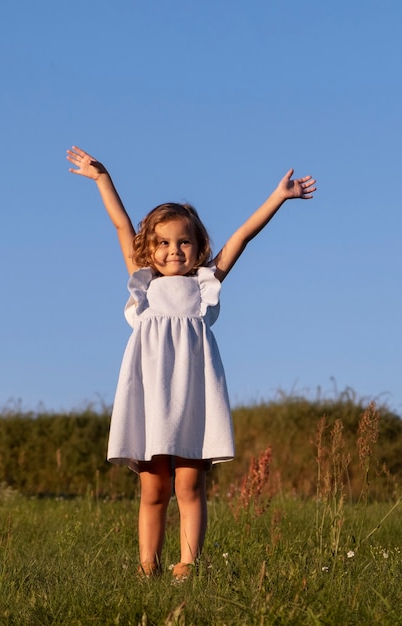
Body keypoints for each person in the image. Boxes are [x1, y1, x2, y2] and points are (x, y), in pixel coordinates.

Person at [67, 145, 316, 581]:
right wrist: (102, 177)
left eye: (184, 242)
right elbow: (122, 223)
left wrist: (278, 197)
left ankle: (188, 564)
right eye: (162, 243)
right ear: (149, 249)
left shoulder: (205, 284)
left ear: (199, 247)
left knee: (189, 485)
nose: (173, 250)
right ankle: (148, 565)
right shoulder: (143, 281)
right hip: (150, 398)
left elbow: (241, 236)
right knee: (154, 488)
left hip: (192, 399)